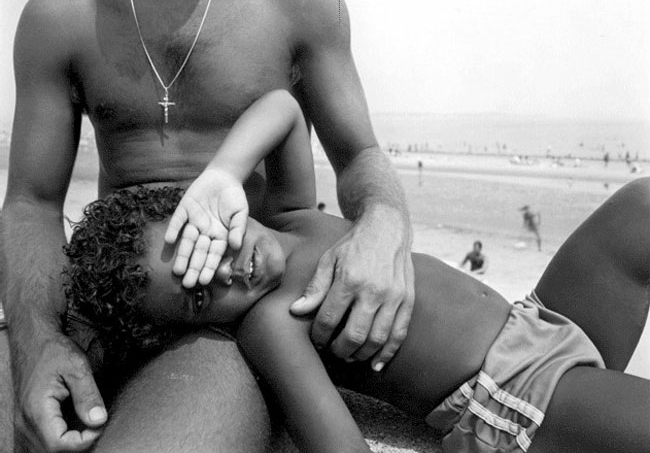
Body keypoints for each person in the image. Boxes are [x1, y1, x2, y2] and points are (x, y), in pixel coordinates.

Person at [63, 98, 650, 452]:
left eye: (203, 247)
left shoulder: (291, 215)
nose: (224, 273)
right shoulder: (273, 324)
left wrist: (223, 171)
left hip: (540, 318)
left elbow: (285, 109)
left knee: (640, 207)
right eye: (199, 300)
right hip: (512, 399)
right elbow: (337, 442)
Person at [0, 0, 414, 449]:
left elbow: (358, 154)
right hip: (115, 299)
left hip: (224, 312)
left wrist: (384, 222)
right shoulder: (59, 14)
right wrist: (37, 341)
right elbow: (32, 202)